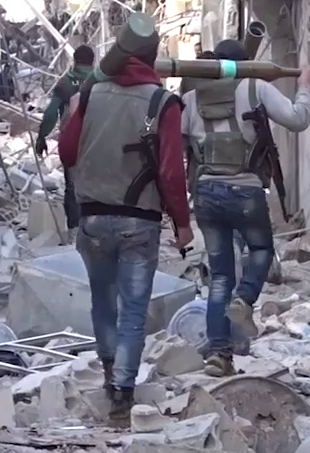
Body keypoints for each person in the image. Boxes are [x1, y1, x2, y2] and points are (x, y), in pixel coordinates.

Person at [58, 36, 193, 426]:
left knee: (103, 300)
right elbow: (171, 171)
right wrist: (182, 224)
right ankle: (123, 394)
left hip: (94, 218)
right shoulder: (162, 103)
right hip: (140, 221)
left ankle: (109, 371)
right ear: (153, 59)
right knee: (133, 310)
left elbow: (66, 152)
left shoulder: (91, 93)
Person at [181, 38, 310, 376]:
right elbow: (298, 119)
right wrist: (306, 88)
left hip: (207, 194)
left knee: (219, 277)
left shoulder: (190, 99)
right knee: (260, 250)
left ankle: (217, 354)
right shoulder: (256, 87)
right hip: (245, 191)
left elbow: (177, 144)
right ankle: (244, 299)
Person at [34, 45, 96, 232]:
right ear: (93, 62)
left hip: (73, 143)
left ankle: (75, 231)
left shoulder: (65, 83)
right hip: (99, 141)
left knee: (73, 187)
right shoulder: (102, 81)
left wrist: (41, 137)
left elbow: (52, 112)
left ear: (74, 61)